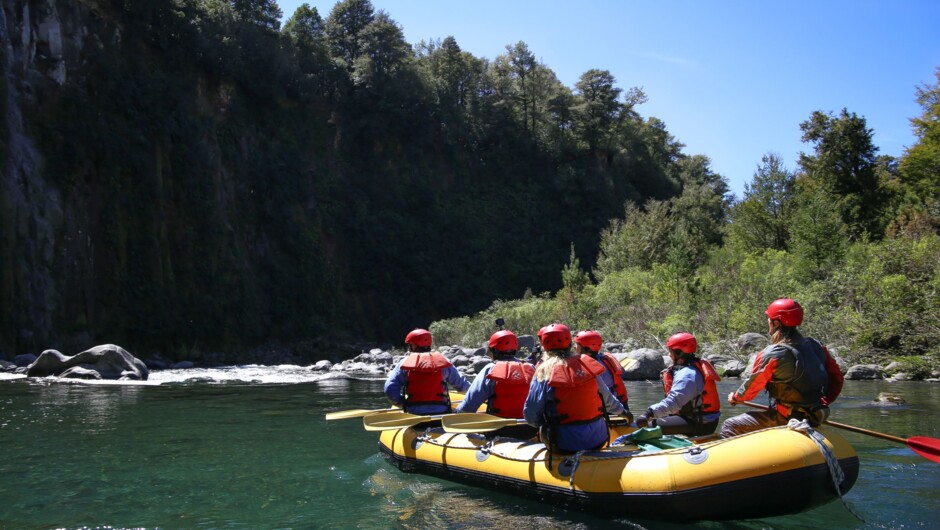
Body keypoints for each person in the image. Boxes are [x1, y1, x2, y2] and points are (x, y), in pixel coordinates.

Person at [719, 299, 844, 438]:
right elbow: (837, 378)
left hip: (787, 417)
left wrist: (736, 397)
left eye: (769, 319)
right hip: (818, 414)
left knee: (730, 425)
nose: (768, 322)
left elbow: (752, 387)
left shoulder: (773, 353)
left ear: (776, 323)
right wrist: (822, 403)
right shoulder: (817, 345)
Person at [523, 323, 631, 453]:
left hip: (562, 444)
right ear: (570, 344)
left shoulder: (543, 372)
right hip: (598, 440)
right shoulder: (587, 366)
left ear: (544, 346)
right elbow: (608, 400)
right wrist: (624, 413)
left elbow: (531, 416)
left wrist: (544, 424)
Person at [454, 329, 537, 438]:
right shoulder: (531, 368)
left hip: (498, 430)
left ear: (494, 350)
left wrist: (457, 414)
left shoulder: (490, 369)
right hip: (528, 430)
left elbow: (468, 406)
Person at [634, 332, 721, 436]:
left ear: (678, 352)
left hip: (700, 423)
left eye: (670, 351)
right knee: (657, 420)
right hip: (697, 419)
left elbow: (674, 403)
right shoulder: (689, 369)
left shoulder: (687, 374)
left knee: (647, 426)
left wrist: (649, 413)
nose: (669, 355)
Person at [384, 328, 471, 415]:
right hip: (441, 413)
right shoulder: (444, 362)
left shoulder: (404, 364)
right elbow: (464, 387)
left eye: (410, 345)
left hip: (413, 413)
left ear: (414, 346)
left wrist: (402, 403)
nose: (409, 348)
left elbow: (389, 388)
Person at [573, 330, 632, 416]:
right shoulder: (605, 359)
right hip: (621, 404)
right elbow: (622, 374)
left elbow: (602, 393)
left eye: (577, 344)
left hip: (608, 409)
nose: (574, 347)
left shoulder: (588, 365)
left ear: (585, 347)